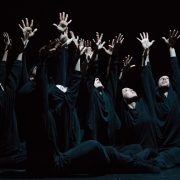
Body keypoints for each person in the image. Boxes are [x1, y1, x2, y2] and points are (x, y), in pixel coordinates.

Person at [25, 40, 160, 177]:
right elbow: (73, 84)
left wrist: (78, 57)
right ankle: (135, 164)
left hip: (64, 156)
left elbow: (74, 87)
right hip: (55, 164)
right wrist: (43, 60)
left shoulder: (63, 111)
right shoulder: (42, 112)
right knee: (96, 146)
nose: (98, 79)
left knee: (127, 149)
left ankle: (135, 161)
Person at [83, 32, 121, 145]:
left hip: (112, 143)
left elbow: (113, 76)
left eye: (98, 79)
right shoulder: (91, 93)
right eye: (95, 79)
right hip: (95, 143)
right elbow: (90, 75)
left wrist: (114, 55)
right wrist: (96, 52)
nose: (97, 79)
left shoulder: (108, 95)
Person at [0, 31, 27, 169]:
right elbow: (12, 79)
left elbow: (2, 72)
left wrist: (6, 49)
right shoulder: (3, 100)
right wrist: (21, 51)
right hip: (9, 154)